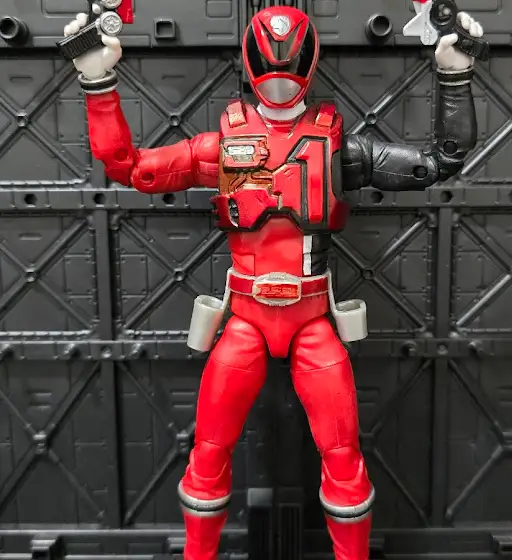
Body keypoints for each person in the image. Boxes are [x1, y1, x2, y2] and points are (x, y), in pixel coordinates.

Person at [63, 5, 483, 559]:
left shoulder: (337, 145)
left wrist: (454, 72)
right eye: (270, 62)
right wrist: (97, 80)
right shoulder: (224, 145)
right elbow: (131, 167)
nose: (280, 75)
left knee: (343, 459)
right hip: (246, 320)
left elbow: (440, 161)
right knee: (208, 455)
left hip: (311, 322)